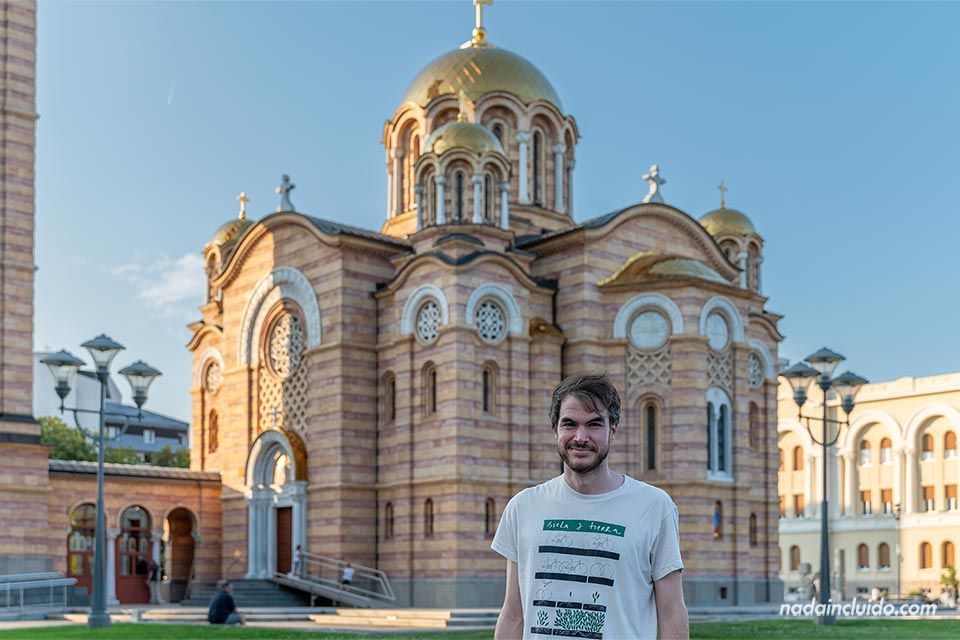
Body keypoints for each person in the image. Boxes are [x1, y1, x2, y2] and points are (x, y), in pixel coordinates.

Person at [492, 372, 689, 640]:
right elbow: (513, 615)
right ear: (555, 430)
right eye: (569, 424)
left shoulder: (654, 506)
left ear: (613, 430)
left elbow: (671, 613)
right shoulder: (523, 507)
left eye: (594, 424)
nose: (581, 437)